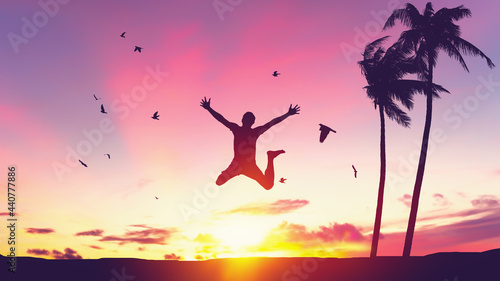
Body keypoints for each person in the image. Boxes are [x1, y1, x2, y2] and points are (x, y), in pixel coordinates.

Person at [200, 97, 300, 190]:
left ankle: (270, 157)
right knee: (218, 182)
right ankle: (270, 157)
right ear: (248, 121)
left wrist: (288, 114)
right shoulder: (242, 130)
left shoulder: (248, 131)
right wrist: (209, 108)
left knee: (268, 185)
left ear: (249, 121)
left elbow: (272, 123)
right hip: (237, 166)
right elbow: (221, 119)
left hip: (249, 167)